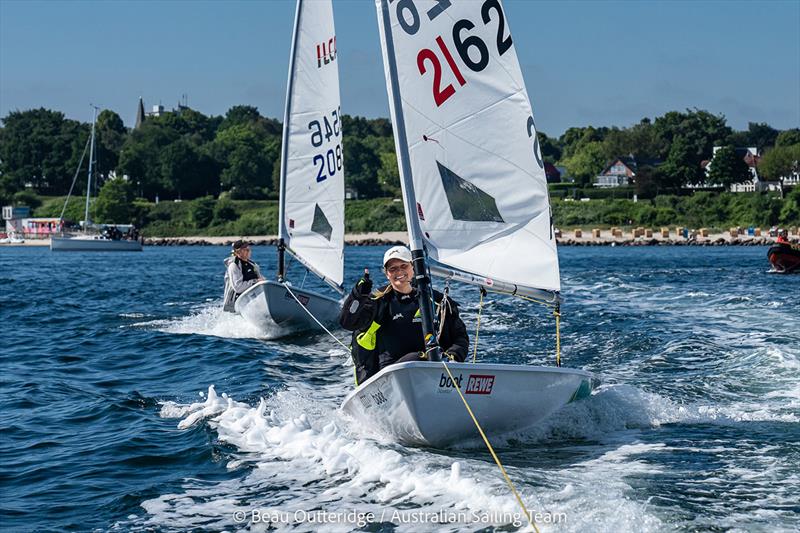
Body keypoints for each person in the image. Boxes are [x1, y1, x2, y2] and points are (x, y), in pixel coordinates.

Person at [339, 245, 469, 385]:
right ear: (386, 273)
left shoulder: (435, 301)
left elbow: (460, 336)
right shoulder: (378, 301)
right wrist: (358, 295)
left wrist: (454, 356)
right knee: (417, 358)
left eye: (403, 266)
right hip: (390, 377)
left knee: (423, 359)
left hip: (433, 371)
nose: (399, 271)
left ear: (413, 267)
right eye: (392, 269)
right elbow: (347, 322)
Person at [222, 240, 264, 312]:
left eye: (249, 249)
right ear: (238, 252)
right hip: (238, 301)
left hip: (253, 298)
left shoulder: (253, 265)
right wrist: (255, 281)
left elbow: (261, 279)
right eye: (245, 249)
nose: (248, 251)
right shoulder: (234, 266)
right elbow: (238, 288)